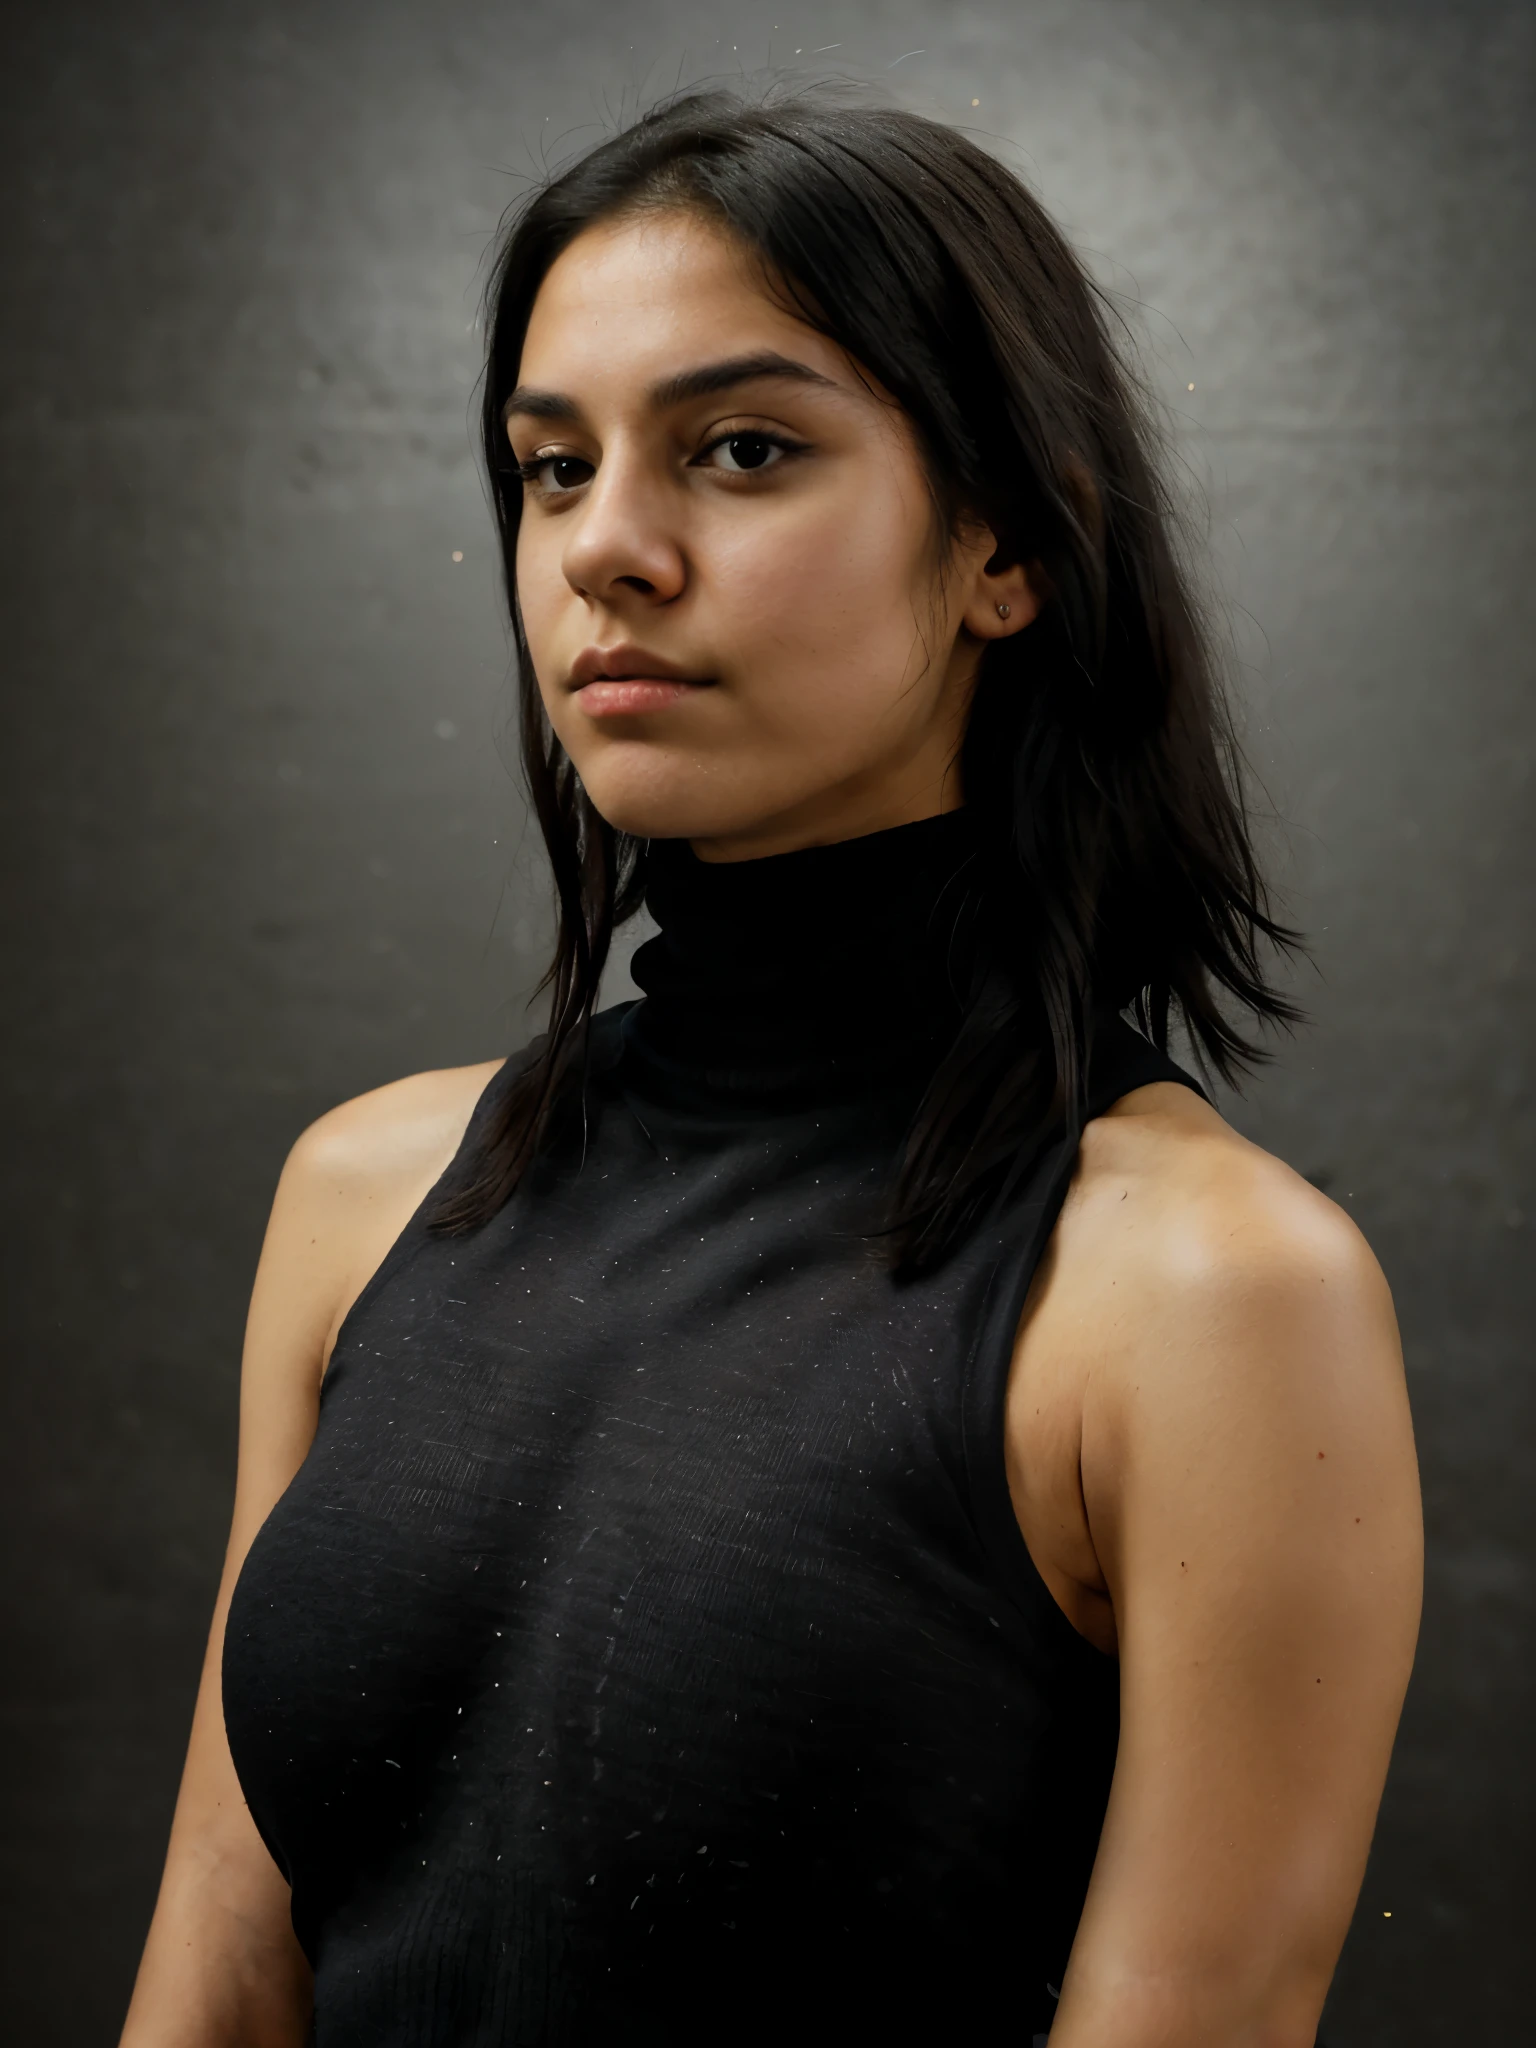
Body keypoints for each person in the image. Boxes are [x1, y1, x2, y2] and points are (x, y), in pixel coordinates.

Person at [121, 88, 1422, 2048]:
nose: (607, 552)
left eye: (741, 450)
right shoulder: (370, 1196)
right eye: (551, 470)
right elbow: (218, 1976)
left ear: (1004, 545)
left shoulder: (1200, 1296)